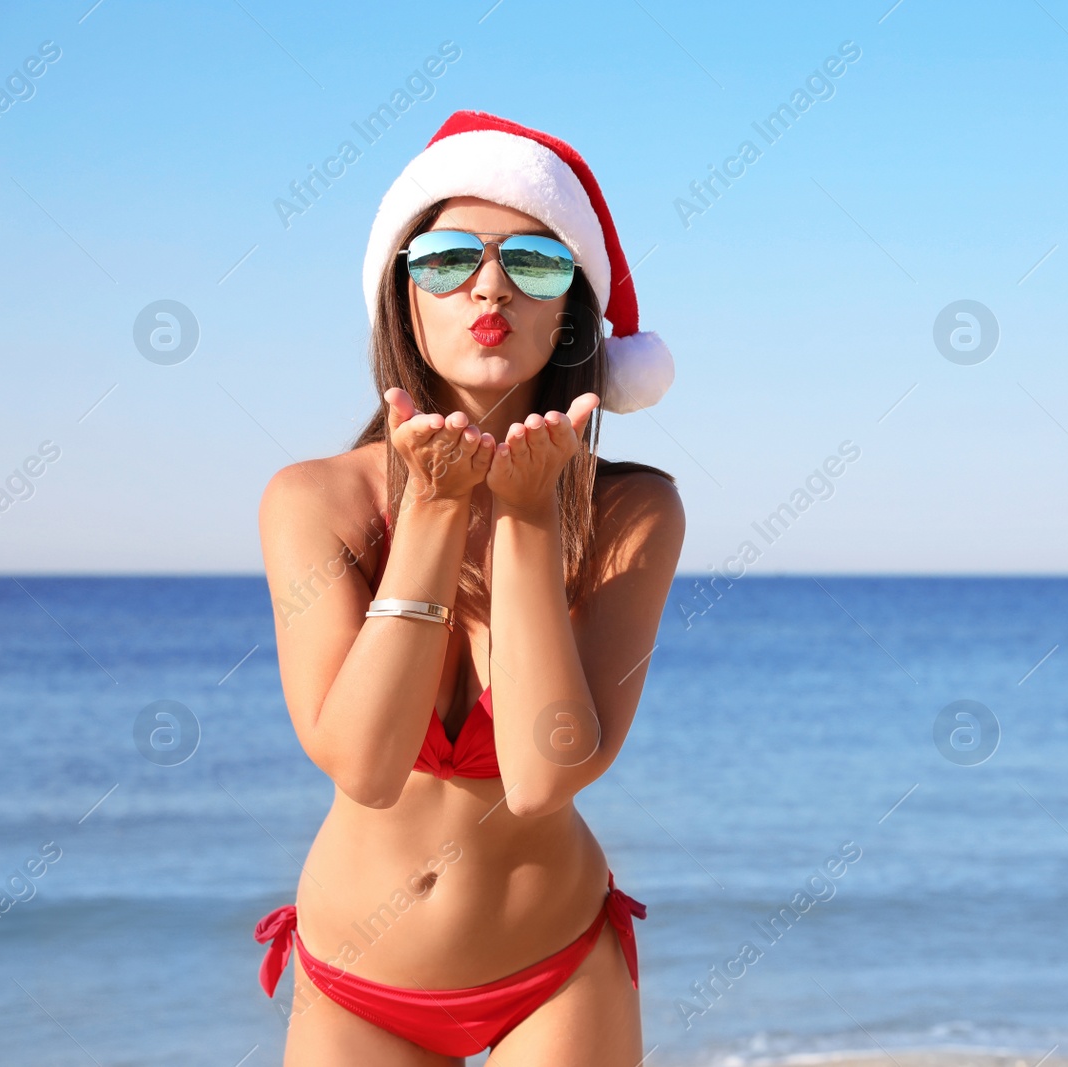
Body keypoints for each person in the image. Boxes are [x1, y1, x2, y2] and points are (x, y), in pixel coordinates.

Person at [251, 111, 684, 1066]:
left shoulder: (633, 512)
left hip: (554, 971)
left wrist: (530, 519)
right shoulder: (313, 500)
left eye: (533, 262)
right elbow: (365, 764)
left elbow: (540, 776)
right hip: (356, 985)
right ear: (405, 299)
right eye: (448, 259)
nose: (490, 285)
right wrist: (438, 513)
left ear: (572, 308)